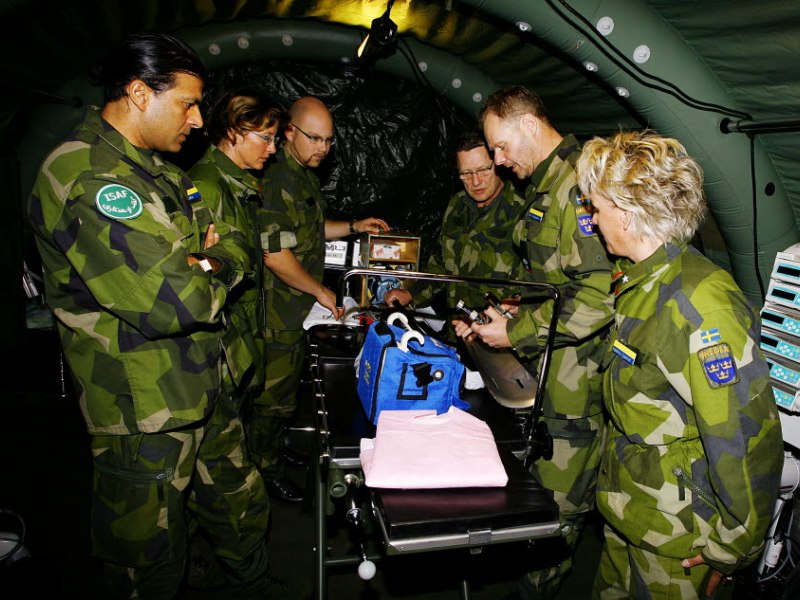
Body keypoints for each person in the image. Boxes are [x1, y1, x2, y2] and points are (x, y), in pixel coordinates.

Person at [26, 33, 283, 599]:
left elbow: (222, 246)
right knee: (148, 558)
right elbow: (179, 300)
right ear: (140, 93)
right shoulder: (90, 176)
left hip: (205, 383)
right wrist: (216, 260)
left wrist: (206, 260)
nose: (198, 120)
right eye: (187, 104)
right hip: (145, 410)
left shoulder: (158, 170)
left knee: (238, 508)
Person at [575, 130, 783, 599]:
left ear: (626, 212)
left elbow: (744, 436)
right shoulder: (642, 281)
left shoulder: (700, 304)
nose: (592, 218)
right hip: (632, 511)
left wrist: (732, 547)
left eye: (597, 207)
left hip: (678, 539)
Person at [457, 85, 616, 599]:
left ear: (529, 124)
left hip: (578, 385)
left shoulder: (580, 185)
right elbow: (555, 280)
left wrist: (517, 331)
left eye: (501, 147)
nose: (499, 161)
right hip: (549, 375)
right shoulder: (546, 185)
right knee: (538, 495)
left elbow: (599, 295)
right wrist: (515, 308)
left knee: (557, 508)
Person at [253, 95, 390, 502]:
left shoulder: (302, 174)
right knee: (271, 399)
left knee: (286, 392)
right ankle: (263, 471)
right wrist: (319, 289)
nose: (323, 149)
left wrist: (354, 225)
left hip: (295, 309)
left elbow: (311, 230)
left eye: (329, 141)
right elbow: (275, 254)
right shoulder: (277, 180)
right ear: (289, 132)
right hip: (277, 311)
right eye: (315, 138)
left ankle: (275, 449)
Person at [384, 129, 528, 320]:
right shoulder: (457, 206)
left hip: (498, 330)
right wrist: (411, 294)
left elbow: (532, 289)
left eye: (483, 170)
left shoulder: (522, 212)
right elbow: (441, 264)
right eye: (466, 173)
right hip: (455, 326)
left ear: (498, 164)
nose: (476, 181)